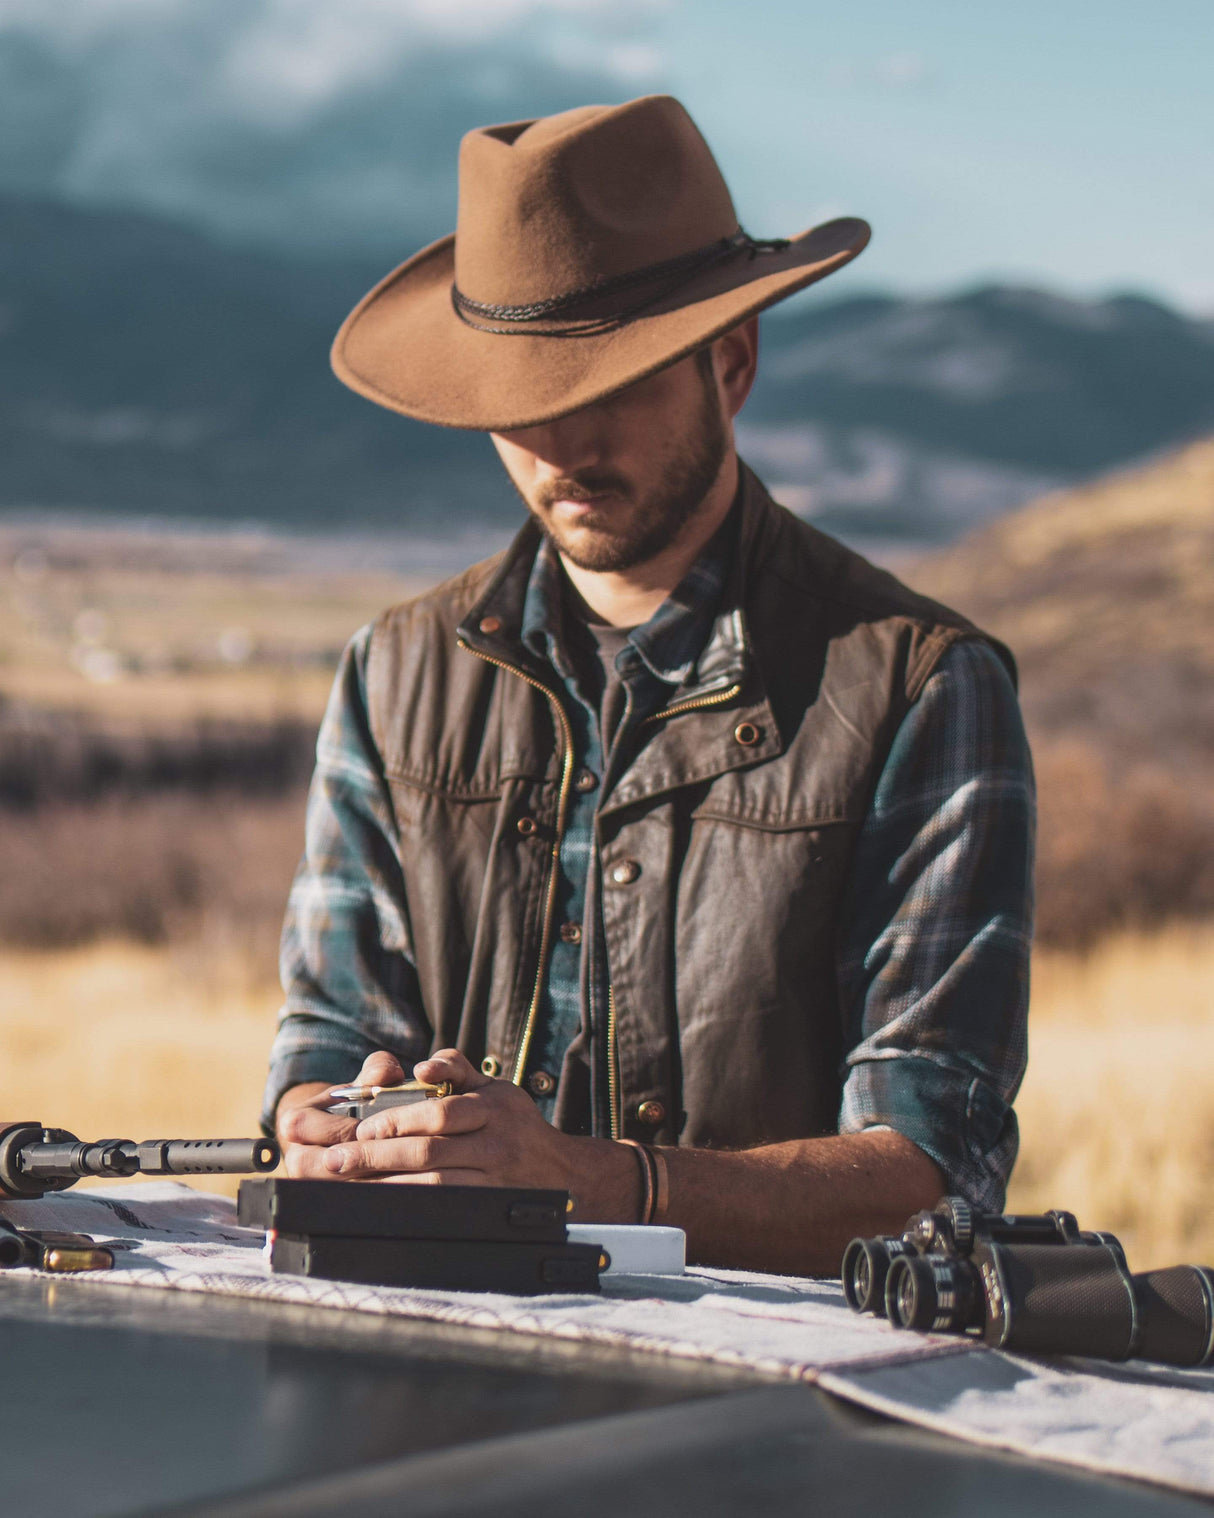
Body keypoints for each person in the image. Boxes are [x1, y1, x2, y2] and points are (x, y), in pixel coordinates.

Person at [263, 95, 1033, 1276]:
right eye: (514, 401)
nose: (557, 444)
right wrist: (326, 1126)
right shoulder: (395, 673)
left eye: (605, 383)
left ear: (729, 365)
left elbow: (931, 1168)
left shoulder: (918, 687)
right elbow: (324, 1035)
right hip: (433, 1375)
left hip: (768, 1410)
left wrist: (588, 1182)